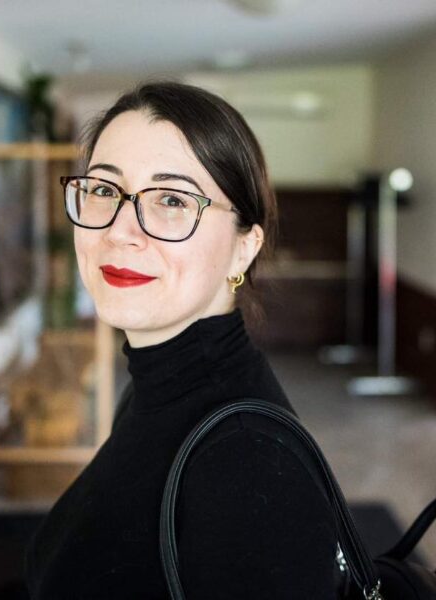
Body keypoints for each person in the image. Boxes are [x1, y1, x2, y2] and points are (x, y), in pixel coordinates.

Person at [25, 81, 338, 599]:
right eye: (103, 190)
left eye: (171, 199)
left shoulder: (250, 461)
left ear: (244, 247)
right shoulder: (150, 389)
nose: (120, 231)